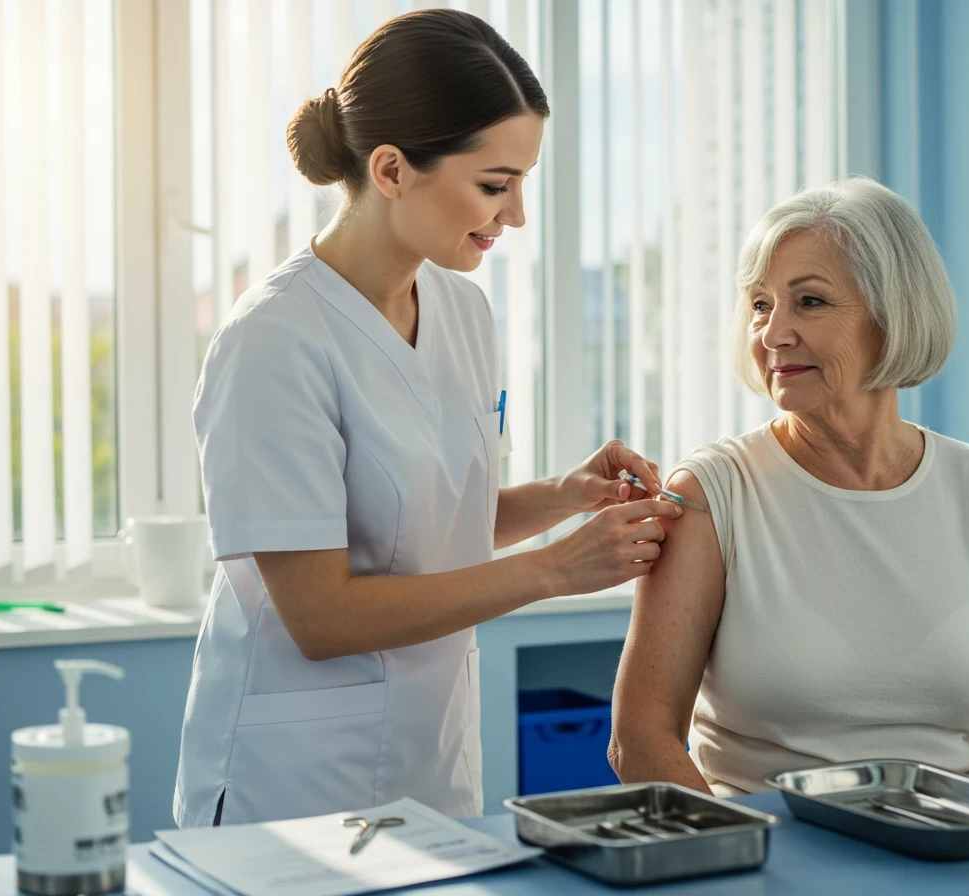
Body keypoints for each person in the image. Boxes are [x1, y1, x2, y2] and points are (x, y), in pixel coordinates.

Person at [175, 9, 680, 828]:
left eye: (522, 183)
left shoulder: (463, 309)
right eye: (494, 184)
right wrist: (555, 569)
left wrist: (562, 495)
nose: (515, 216)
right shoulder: (273, 339)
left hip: (434, 761)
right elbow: (320, 614)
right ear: (390, 168)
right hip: (296, 782)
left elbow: (437, 526)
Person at [608, 178, 969, 803]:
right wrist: (746, 860)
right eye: (760, 304)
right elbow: (641, 739)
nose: (772, 333)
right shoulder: (711, 493)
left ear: (893, 314)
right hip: (772, 860)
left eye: (808, 302)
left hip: (954, 857)